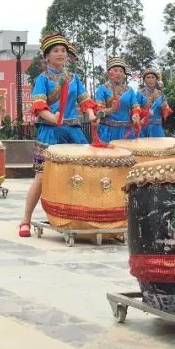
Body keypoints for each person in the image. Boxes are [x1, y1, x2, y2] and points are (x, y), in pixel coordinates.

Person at [18, 33, 94, 237]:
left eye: (64, 51)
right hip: (49, 130)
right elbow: (39, 107)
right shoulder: (42, 80)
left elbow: (84, 101)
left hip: (73, 130)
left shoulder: (74, 78)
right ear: (47, 57)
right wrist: (54, 118)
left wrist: (92, 114)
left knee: (87, 171)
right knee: (42, 177)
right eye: (56, 51)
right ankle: (25, 220)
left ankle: (85, 214)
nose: (61, 54)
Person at [95, 56, 144, 142]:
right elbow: (98, 113)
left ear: (124, 74)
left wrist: (135, 115)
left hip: (127, 132)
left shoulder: (130, 90)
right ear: (109, 72)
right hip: (107, 131)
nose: (118, 73)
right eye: (115, 70)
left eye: (121, 71)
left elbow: (135, 108)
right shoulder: (102, 89)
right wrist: (111, 110)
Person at [138, 66, 171, 138]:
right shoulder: (139, 93)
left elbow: (166, 112)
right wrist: (146, 110)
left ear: (156, 79)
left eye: (153, 77)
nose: (151, 79)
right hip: (143, 127)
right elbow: (135, 110)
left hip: (157, 127)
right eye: (148, 77)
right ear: (144, 80)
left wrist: (164, 108)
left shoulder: (160, 93)